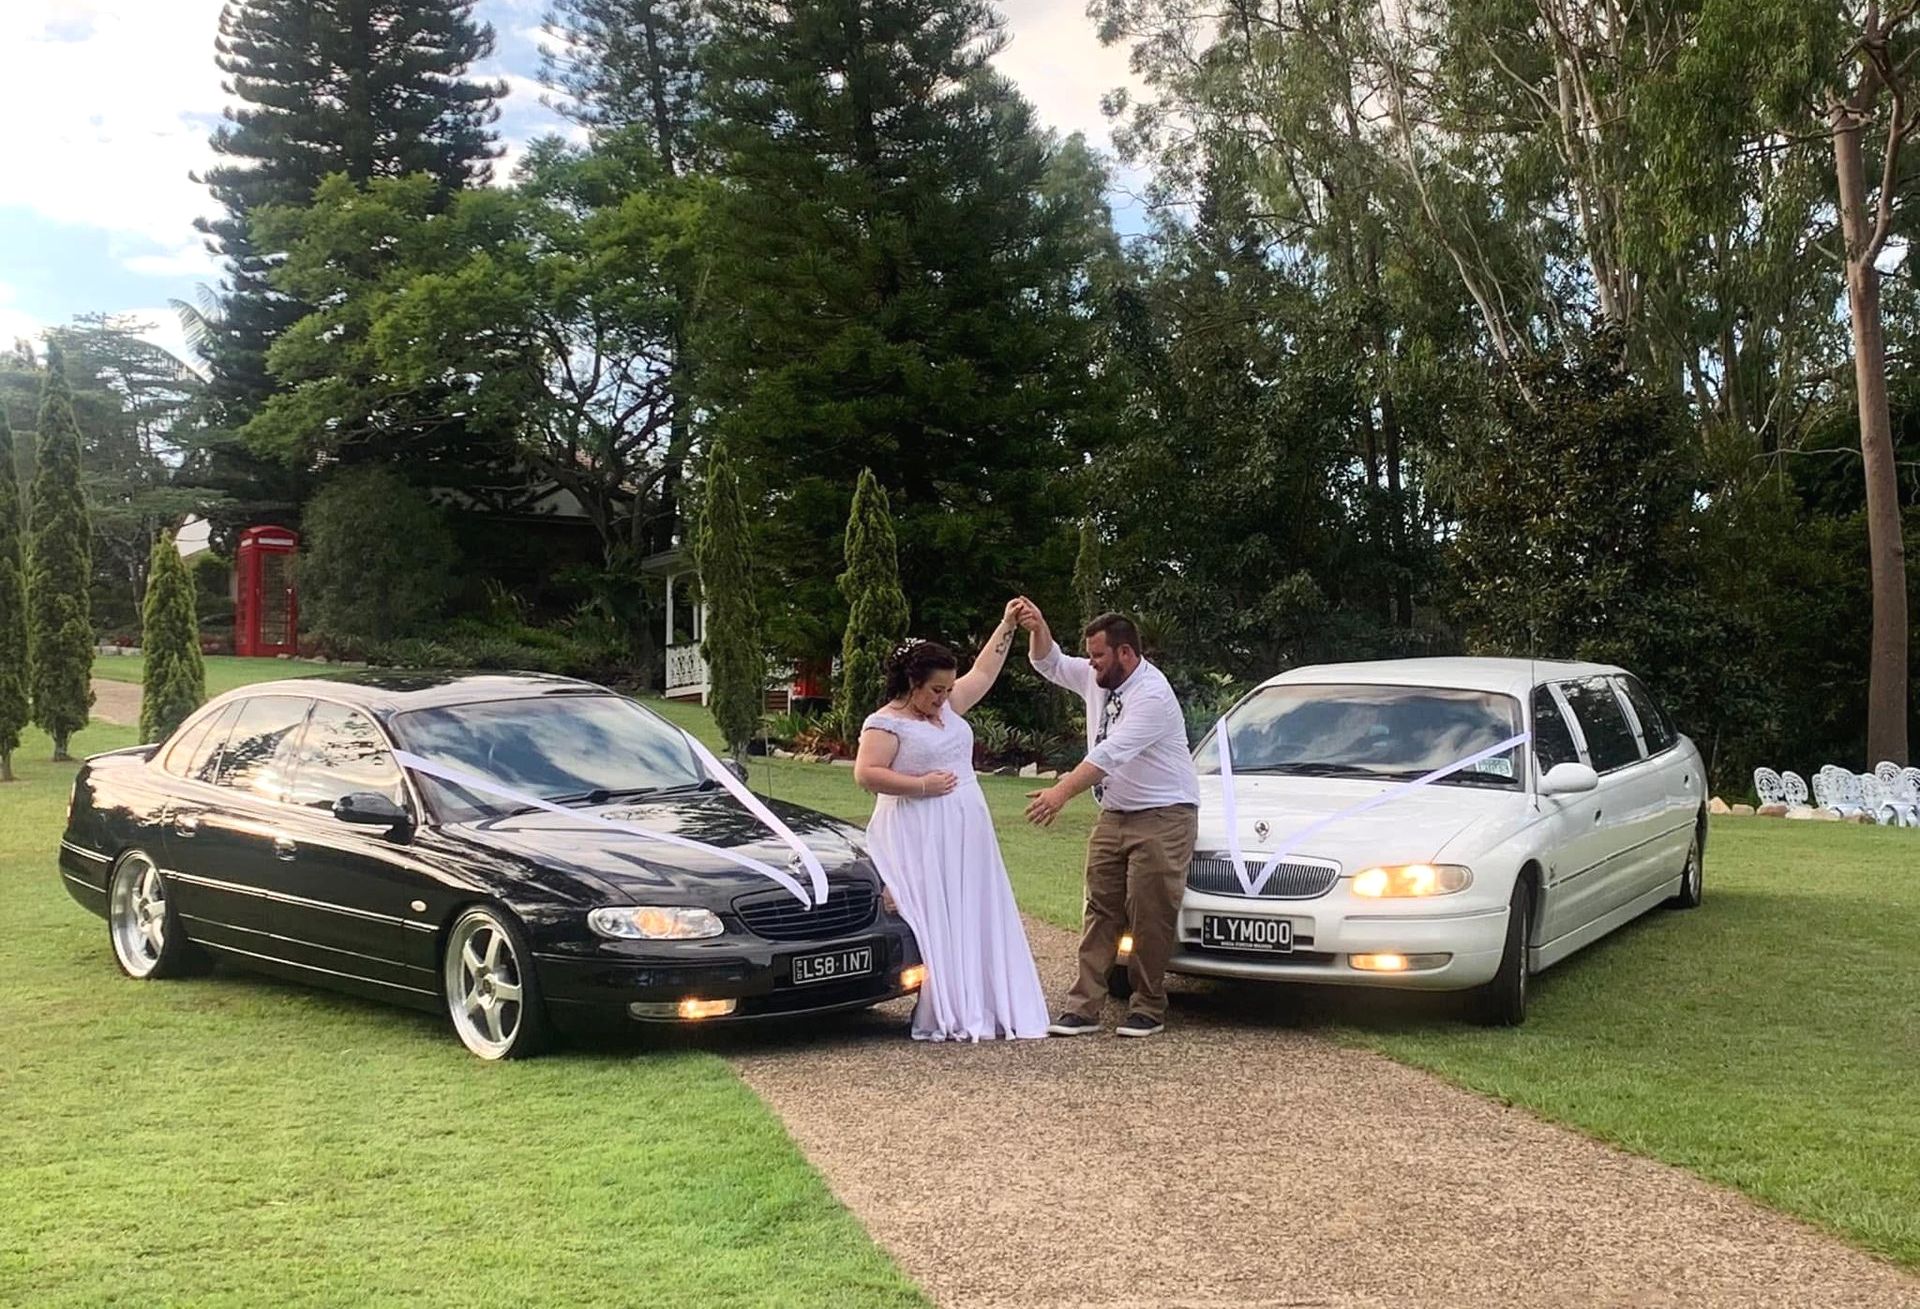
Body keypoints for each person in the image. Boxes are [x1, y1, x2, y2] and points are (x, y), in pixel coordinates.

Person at [851, 605, 1049, 1041]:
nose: (944, 697)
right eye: (936, 690)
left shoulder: (950, 705)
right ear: (912, 683)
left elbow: (984, 672)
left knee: (972, 906)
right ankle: (947, 1001)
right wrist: (921, 784)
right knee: (937, 911)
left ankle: (987, 999)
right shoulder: (885, 722)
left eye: (946, 689)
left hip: (966, 828)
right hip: (919, 829)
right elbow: (866, 773)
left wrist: (1007, 626)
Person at [1018, 603, 1199, 1038]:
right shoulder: (1099, 678)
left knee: (1148, 909)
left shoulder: (1152, 695)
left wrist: (1060, 792)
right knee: (1100, 907)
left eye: (1098, 655)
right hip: (1115, 812)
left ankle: (1148, 1007)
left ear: (1126, 654)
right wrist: (1040, 626)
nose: (1091, 663)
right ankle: (1083, 1008)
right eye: (1090, 655)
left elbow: (1109, 754)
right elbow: (1049, 663)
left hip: (1164, 814)